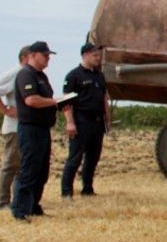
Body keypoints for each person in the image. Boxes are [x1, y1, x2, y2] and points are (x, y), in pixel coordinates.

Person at [11, 41, 62, 221]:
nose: (48, 58)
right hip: (30, 128)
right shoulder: (26, 75)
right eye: (45, 55)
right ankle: (20, 210)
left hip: (42, 128)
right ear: (33, 55)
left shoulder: (41, 76)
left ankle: (33, 206)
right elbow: (31, 100)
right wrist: (55, 101)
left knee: (41, 170)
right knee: (29, 169)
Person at [61, 43, 111, 197]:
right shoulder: (73, 76)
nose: (98, 59)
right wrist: (70, 122)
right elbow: (66, 102)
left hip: (97, 123)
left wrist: (107, 118)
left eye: (99, 55)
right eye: (95, 56)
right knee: (75, 158)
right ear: (85, 55)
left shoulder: (99, 75)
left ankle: (87, 189)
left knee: (93, 157)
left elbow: (104, 98)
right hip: (81, 122)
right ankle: (67, 192)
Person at [0, 46, 31, 209]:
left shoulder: (29, 75)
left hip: (25, 127)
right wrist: (5, 110)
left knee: (21, 165)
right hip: (14, 128)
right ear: (25, 57)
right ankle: (2, 201)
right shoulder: (16, 73)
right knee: (11, 164)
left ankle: (18, 199)